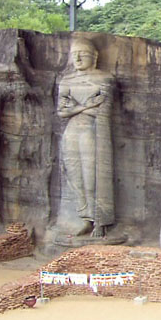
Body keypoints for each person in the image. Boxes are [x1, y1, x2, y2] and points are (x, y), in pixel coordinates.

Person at [57, 37, 115, 238]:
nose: (79, 58)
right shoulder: (67, 80)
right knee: (75, 176)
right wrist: (88, 105)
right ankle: (84, 218)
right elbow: (61, 112)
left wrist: (75, 107)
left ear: (95, 56)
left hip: (92, 131)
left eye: (83, 54)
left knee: (92, 177)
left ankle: (99, 219)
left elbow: (104, 110)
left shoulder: (104, 79)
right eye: (74, 55)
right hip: (72, 131)